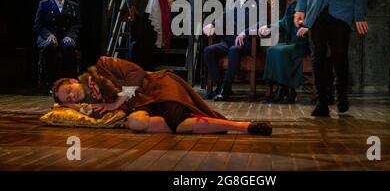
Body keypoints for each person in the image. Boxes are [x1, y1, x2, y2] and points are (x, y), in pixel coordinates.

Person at [52, 56, 272, 135]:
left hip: (156, 87)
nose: (71, 96)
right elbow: (94, 114)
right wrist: (71, 107)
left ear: (73, 80)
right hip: (141, 104)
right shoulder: (95, 102)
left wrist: (117, 102)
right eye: (67, 99)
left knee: (183, 125)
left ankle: (243, 126)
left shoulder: (103, 65)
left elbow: (136, 73)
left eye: (68, 91)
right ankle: (179, 123)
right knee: (136, 123)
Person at [202, 0, 261, 101]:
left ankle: (226, 90)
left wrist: (245, 32)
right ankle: (220, 86)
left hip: (247, 42)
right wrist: (212, 24)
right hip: (229, 40)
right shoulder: (232, 0)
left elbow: (260, 23)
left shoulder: (259, 0)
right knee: (208, 51)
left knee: (234, 49)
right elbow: (223, 17)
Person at [259, 0, 309, 104]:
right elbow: (284, 22)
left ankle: (284, 89)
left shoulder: (310, 5)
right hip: (292, 43)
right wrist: (269, 27)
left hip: (304, 44)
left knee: (281, 52)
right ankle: (283, 88)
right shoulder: (293, 5)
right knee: (272, 50)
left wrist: (309, 28)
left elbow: (316, 22)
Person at [34, 0, 81, 87]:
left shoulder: (73, 6)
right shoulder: (44, 4)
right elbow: (38, 24)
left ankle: (70, 82)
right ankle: (51, 82)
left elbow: (77, 24)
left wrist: (70, 36)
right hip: (48, 35)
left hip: (65, 36)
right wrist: (48, 35)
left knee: (69, 47)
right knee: (50, 46)